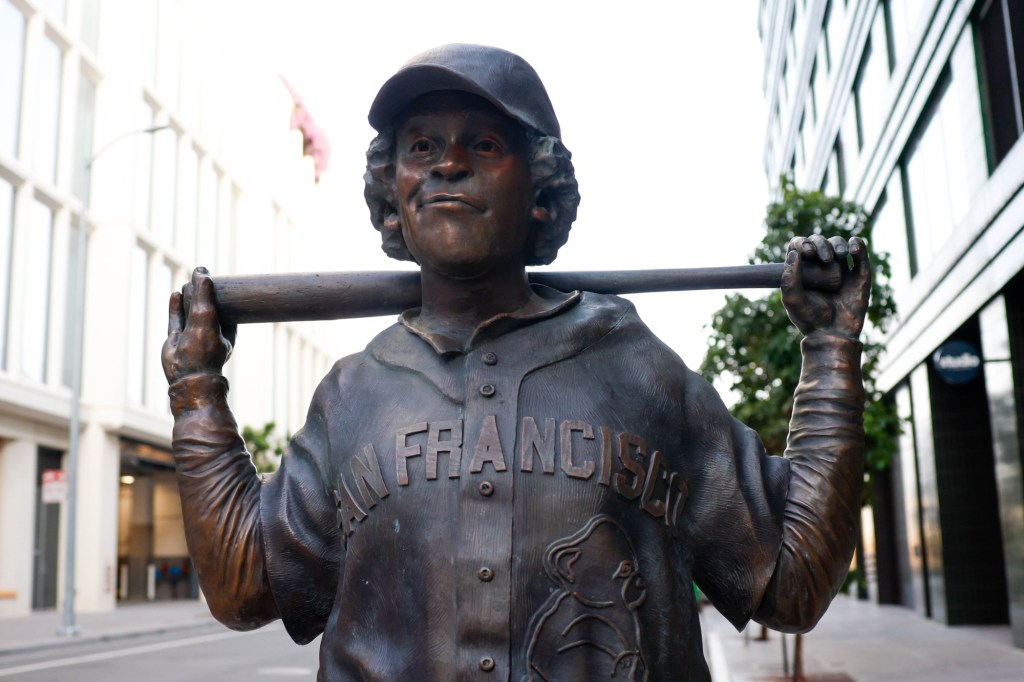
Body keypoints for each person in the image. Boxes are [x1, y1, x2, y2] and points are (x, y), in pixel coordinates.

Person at [163, 44, 870, 681]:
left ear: (540, 189)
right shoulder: (352, 395)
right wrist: (198, 394)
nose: (447, 163)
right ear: (393, 194)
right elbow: (246, 587)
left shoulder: (640, 371)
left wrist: (831, 353)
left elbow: (792, 583)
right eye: (421, 146)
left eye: (485, 142)